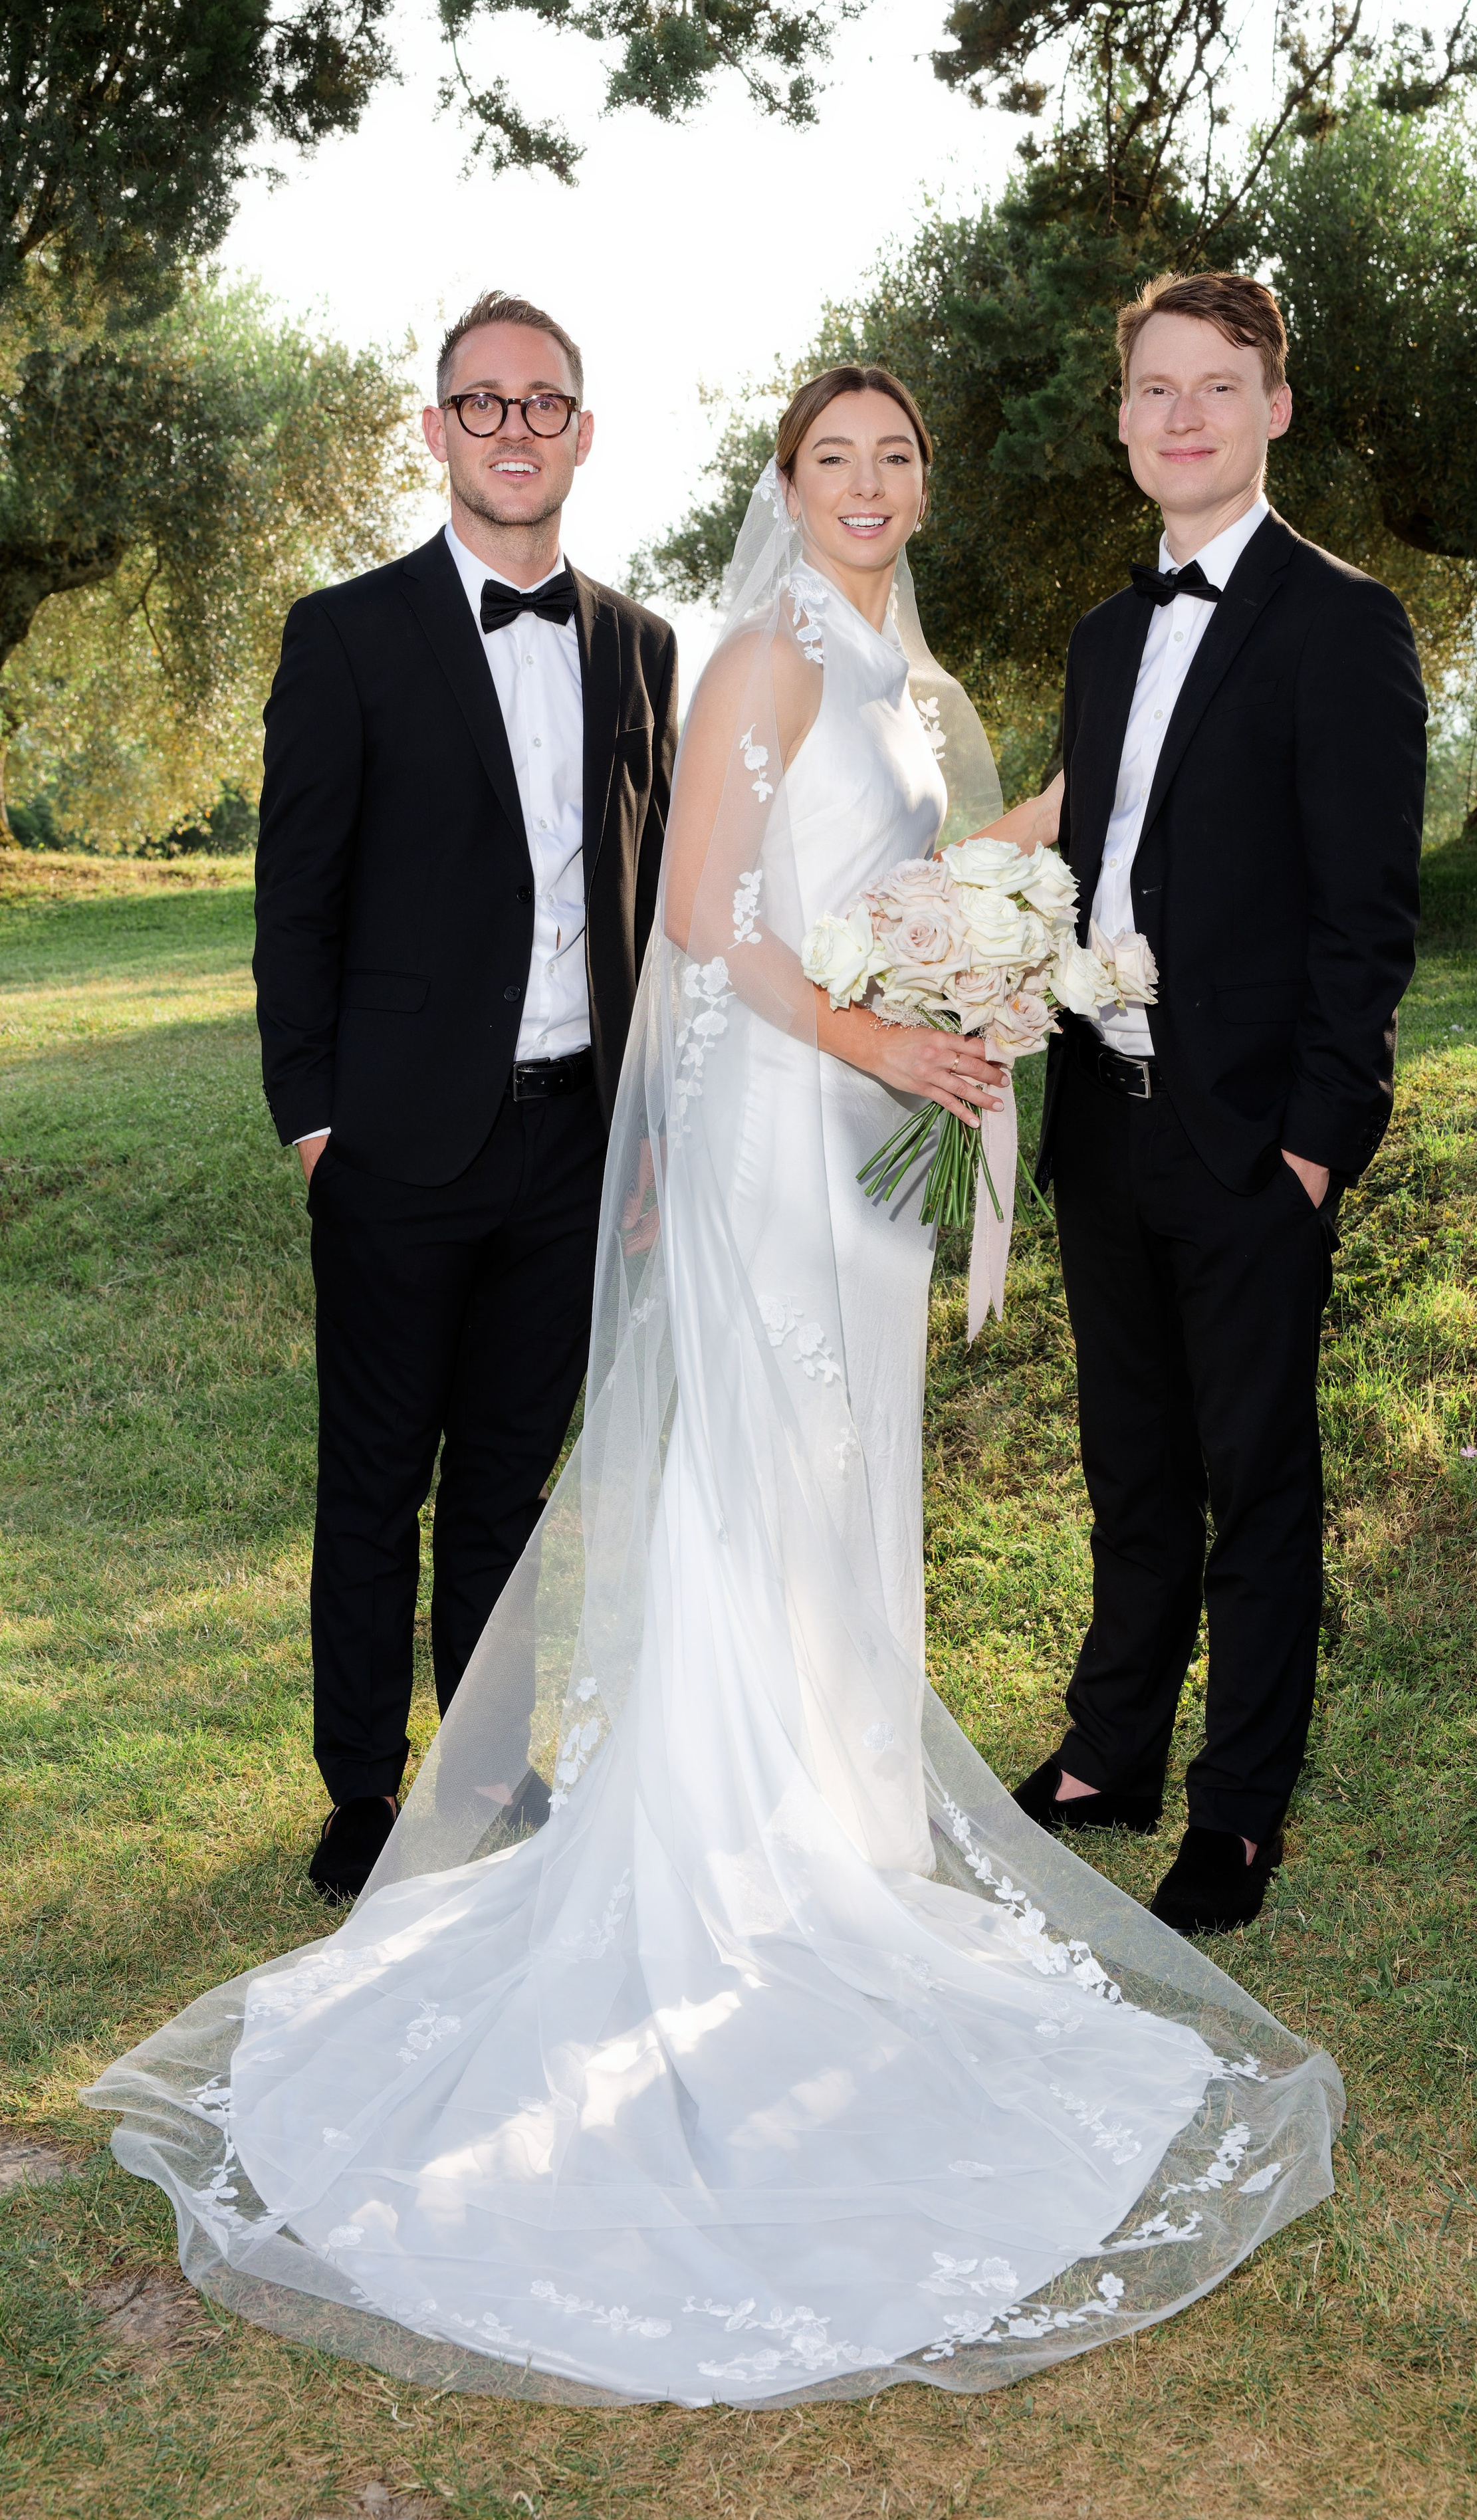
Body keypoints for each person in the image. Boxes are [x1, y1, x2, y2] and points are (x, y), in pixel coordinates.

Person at [88, 366, 1343, 2408]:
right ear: (790, 487)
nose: (868, 487)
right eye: (833, 461)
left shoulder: (923, 687)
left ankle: (837, 1827)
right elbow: (700, 924)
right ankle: (728, 1843)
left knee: (852, 1482)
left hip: (874, 1162)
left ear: (928, 483)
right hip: (786, 1124)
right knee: (760, 1472)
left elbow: (962, 857)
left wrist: (1026, 908)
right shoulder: (756, 663)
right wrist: (882, 1038)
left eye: (897, 459)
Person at [252, 290, 677, 1901]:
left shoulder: (643, 644)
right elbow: (295, 905)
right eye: (482, 403)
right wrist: (315, 1122)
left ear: (581, 430)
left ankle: (486, 1764)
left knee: (507, 1481)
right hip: (395, 1138)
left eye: (542, 402)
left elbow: (642, 907)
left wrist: (643, 1127)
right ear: (435, 430)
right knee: (375, 1476)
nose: (513, 428)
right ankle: (364, 1787)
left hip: (575, 1138)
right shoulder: (345, 635)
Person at [1014, 272, 1426, 1936]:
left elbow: (1365, 918)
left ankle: (1236, 1809)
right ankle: (1108, 1754)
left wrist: (1315, 1140)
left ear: (1271, 410)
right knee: (1130, 1467)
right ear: (1122, 423)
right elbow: (1088, 855)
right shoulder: (1106, 635)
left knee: (1256, 1484)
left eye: (1216, 385)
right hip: (1101, 1126)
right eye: (1154, 389)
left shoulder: (1342, 623)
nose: (1181, 415)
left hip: (1253, 1139)